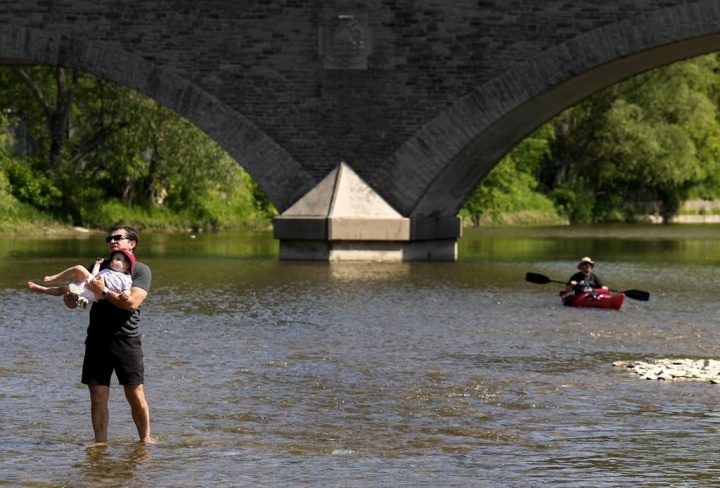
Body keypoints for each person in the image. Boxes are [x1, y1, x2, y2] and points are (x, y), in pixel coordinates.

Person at [64, 225, 153, 444]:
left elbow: (131, 303)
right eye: (110, 238)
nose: (112, 241)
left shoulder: (140, 271)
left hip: (126, 339)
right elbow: (70, 300)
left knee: (135, 394)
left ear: (132, 244)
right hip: (96, 339)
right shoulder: (97, 268)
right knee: (98, 396)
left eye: (118, 238)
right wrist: (71, 299)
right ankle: (100, 445)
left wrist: (103, 291)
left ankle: (145, 441)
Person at [27, 250, 135, 308]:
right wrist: (97, 264)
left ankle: (43, 289)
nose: (114, 260)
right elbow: (94, 275)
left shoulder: (126, 278)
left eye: (118, 259)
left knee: (66, 290)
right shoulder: (108, 270)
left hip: (95, 293)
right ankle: (53, 280)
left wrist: (125, 294)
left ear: (127, 266)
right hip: (90, 282)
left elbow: (127, 289)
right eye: (113, 258)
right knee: (64, 288)